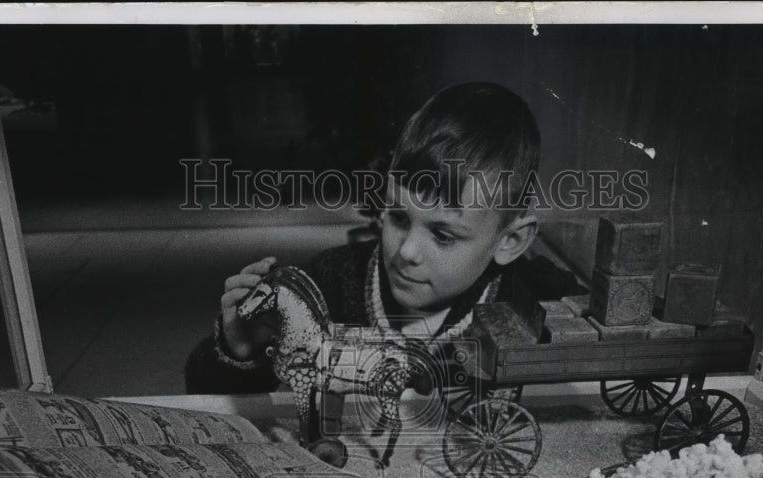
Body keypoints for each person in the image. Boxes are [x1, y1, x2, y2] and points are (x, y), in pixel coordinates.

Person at [184, 81, 581, 395]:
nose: (406, 252)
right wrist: (241, 349)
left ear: (509, 241)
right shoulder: (324, 282)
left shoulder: (538, 297)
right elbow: (207, 397)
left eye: (442, 235)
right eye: (398, 217)